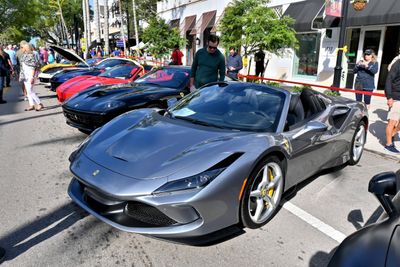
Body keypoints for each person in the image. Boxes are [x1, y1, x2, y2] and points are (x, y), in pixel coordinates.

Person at [21, 43, 44, 111]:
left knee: (30, 90)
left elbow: (33, 67)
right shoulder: (24, 56)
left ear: (26, 48)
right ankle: (31, 105)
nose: (21, 49)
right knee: (28, 92)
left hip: (30, 75)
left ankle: (39, 104)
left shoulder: (31, 56)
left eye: (22, 47)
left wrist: (32, 77)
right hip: (25, 75)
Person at [384, 59, 400, 153]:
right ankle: (388, 144)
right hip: (396, 98)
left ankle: (392, 134)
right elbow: (389, 80)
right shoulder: (397, 64)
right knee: (392, 122)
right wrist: (389, 97)